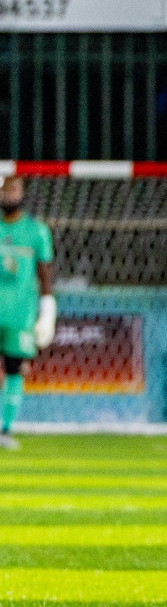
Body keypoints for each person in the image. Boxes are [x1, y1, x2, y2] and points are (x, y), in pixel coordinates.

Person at [0, 178, 56, 450]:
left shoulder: (36, 231)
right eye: (4, 190)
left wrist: (48, 308)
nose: (8, 195)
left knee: (14, 369)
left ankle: (5, 429)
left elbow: (45, 272)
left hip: (19, 314)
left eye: (13, 189)